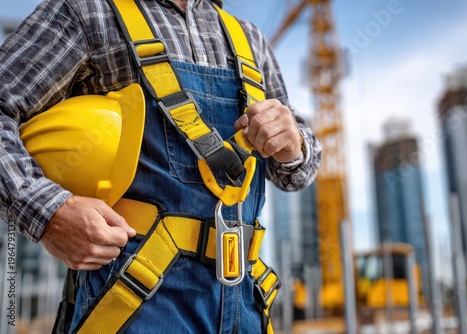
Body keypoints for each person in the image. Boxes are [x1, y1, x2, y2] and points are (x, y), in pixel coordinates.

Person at [0, 0, 322, 332]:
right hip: (135, 298)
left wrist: (294, 144)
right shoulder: (90, 12)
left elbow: (294, 174)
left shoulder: (250, 40)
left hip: (245, 300)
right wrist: (49, 213)